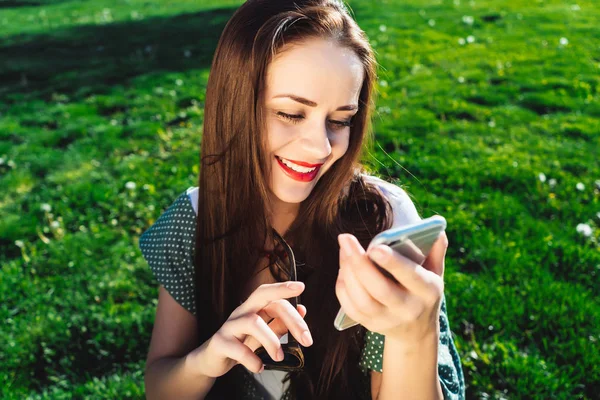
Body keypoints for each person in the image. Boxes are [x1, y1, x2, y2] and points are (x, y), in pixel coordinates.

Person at [140, 0, 465, 399]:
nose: (320, 148)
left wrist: (414, 335)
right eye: (291, 113)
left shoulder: (384, 219)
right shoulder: (194, 222)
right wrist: (206, 359)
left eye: (340, 120)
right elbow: (159, 386)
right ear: (234, 106)